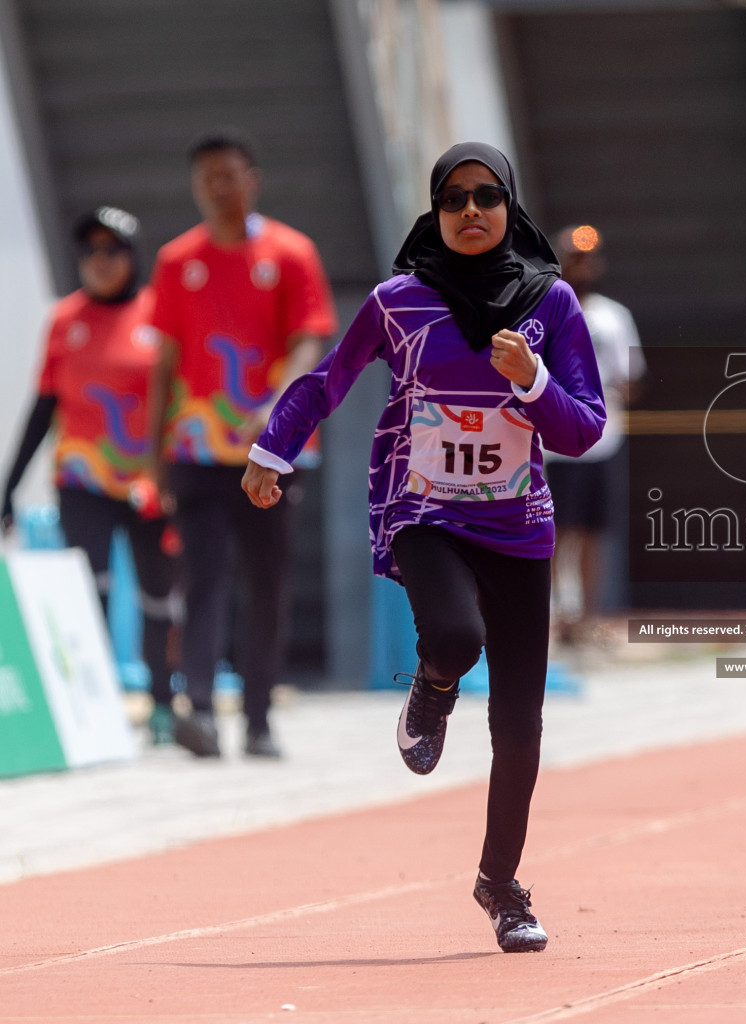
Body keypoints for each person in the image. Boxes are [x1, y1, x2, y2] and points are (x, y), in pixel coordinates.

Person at [242, 142, 603, 952]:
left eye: (485, 197)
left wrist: (533, 383)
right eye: (452, 200)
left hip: (518, 527)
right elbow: (327, 379)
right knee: (453, 636)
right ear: (434, 214)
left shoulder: (550, 304)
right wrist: (273, 449)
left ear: (510, 208)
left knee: (519, 726)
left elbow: (585, 429)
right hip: (423, 509)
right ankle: (432, 686)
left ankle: (500, 886)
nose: (469, 212)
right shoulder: (399, 301)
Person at [145, 129, 337, 759]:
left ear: (252, 179)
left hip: (272, 449)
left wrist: (277, 402)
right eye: (205, 179)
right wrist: (154, 452)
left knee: (266, 582)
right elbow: (165, 361)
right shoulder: (177, 260)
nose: (217, 189)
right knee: (200, 579)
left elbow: (311, 340)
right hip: (197, 448)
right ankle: (197, 708)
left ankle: (258, 720)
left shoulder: (290, 252)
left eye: (228, 176)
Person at [2, 206, 181, 743]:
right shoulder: (64, 319)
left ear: (133, 255)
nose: (100, 262)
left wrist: (175, 477)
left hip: (149, 481)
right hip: (81, 478)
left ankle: (163, 705)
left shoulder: (161, 314)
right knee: (88, 591)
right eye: (90, 252)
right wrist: (8, 486)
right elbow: (42, 406)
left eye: (112, 250)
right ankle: (91, 709)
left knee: (157, 593)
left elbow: (181, 401)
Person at [543, 224, 643, 644]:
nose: (580, 266)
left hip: (601, 440)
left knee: (591, 533)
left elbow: (630, 377)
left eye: (587, 258)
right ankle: (548, 617)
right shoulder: (543, 308)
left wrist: (609, 394)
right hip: (553, 444)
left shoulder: (613, 316)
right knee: (551, 532)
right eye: (573, 257)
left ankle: (583, 618)